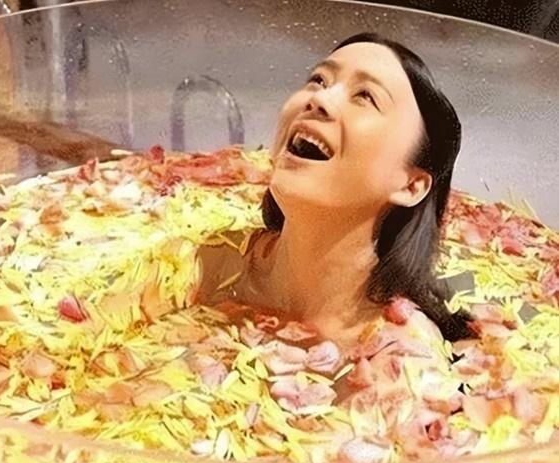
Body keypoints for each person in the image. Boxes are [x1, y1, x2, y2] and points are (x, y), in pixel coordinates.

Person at [196, 32, 473, 351]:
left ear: (410, 186)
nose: (320, 99)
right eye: (318, 80)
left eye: (365, 96)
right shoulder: (207, 263)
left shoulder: (400, 358)